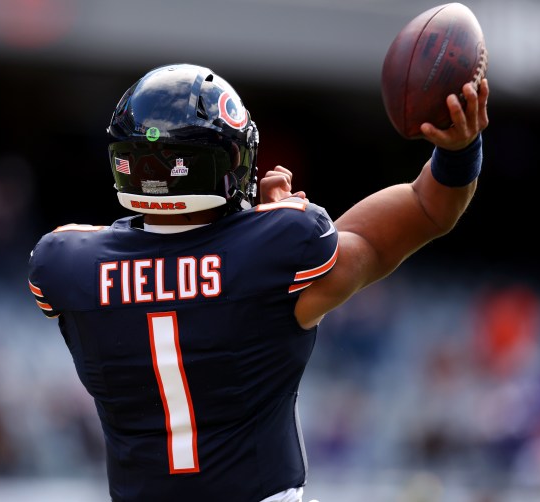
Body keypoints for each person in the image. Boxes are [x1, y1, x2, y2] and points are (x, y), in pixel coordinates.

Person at [28, 63, 489, 502]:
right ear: (229, 159)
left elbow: (130, 255)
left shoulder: (67, 264)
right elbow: (426, 209)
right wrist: (459, 150)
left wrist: (248, 227)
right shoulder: (278, 250)